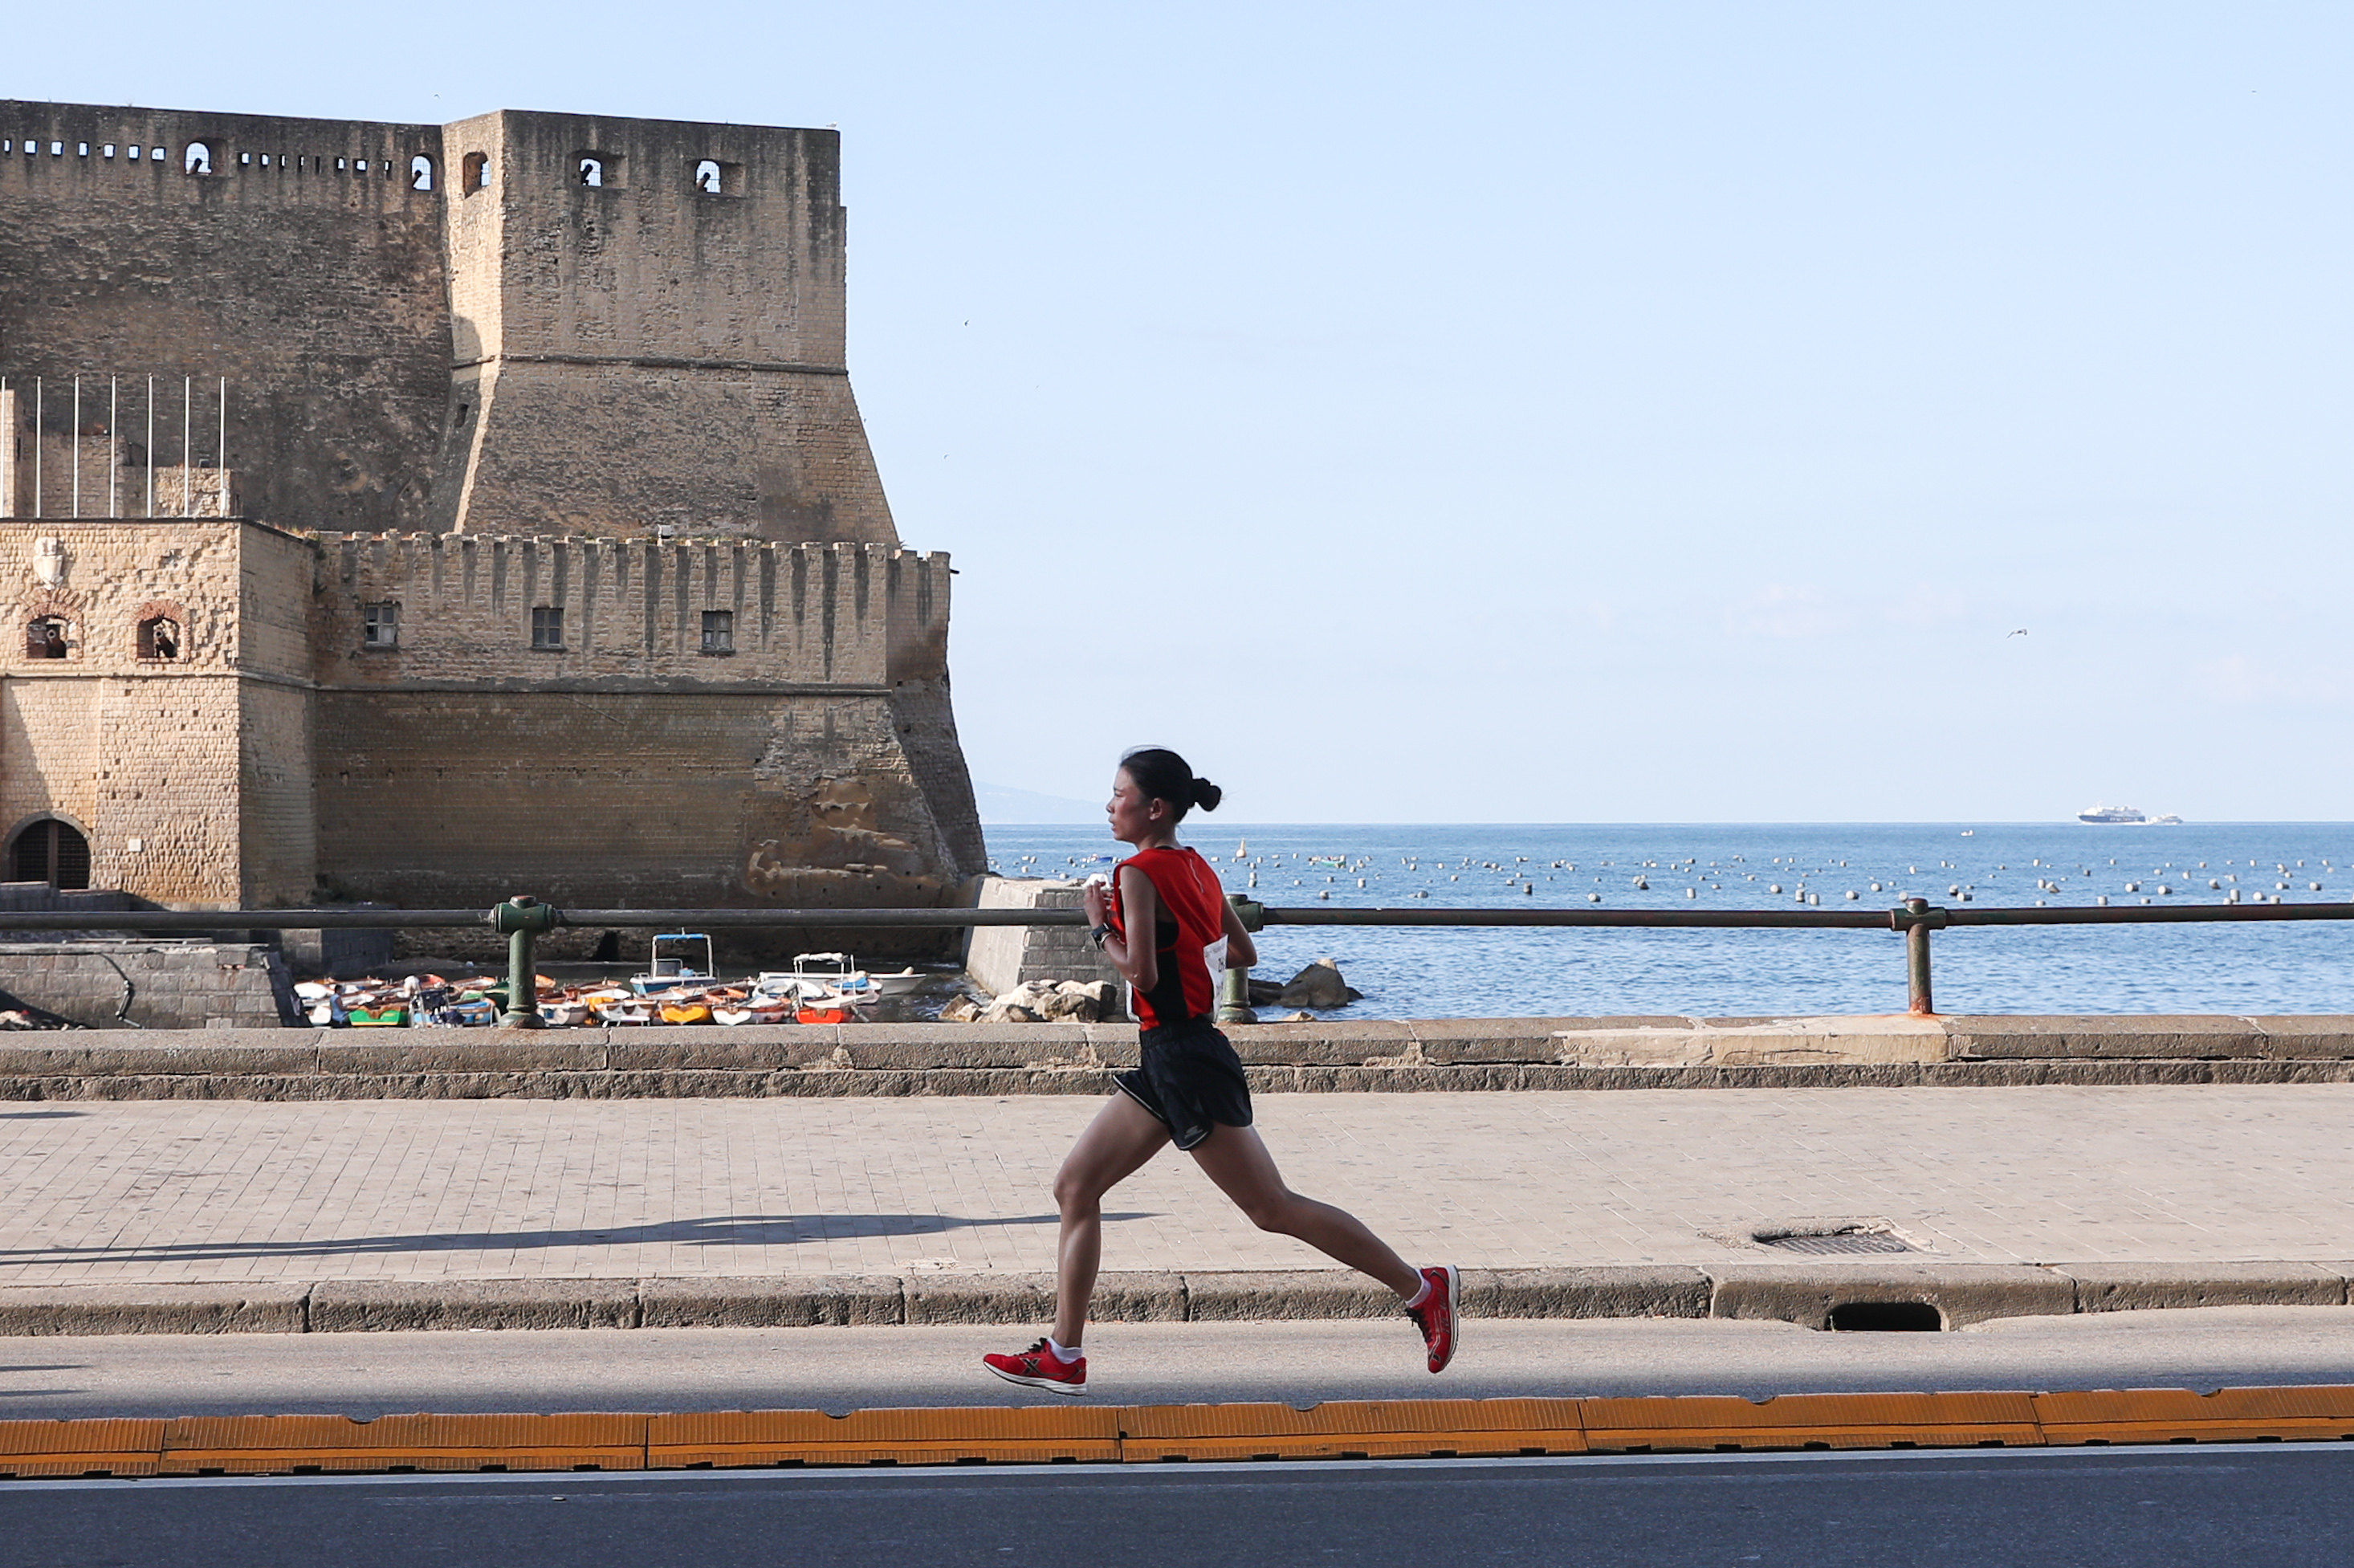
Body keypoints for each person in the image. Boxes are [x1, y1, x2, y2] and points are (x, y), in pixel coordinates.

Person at [984, 746, 1457, 1395]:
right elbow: (1241, 948)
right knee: (1075, 1187)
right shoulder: (1197, 867)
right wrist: (1176, 955)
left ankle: (1420, 1286)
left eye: (1118, 792)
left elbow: (1142, 973)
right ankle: (1064, 1352)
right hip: (1170, 1054)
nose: (1108, 803)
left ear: (1154, 807)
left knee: (1272, 1207)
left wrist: (1101, 928)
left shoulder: (1137, 872)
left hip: (1184, 1058)